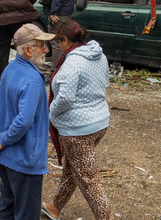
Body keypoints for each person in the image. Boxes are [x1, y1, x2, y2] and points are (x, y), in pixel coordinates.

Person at [41, 20, 111, 220]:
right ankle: (54, 207)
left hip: (78, 129)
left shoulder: (72, 61)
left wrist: (51, 114)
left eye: (58, 41)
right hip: (100, 121)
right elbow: (104, 82)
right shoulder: (98, 54)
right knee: (73, 169)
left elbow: (65, 97)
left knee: (89, 179)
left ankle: (106, 217)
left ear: (64, 40)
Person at [0, 23, 55, 220]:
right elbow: (24, 121)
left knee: (7, 208)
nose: (46, 50)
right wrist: (4, 138)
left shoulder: (10, 68)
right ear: (28, 50)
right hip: (24, 159)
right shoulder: (33, 79)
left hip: (6, 157)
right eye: (42, 45)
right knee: (26, 214)